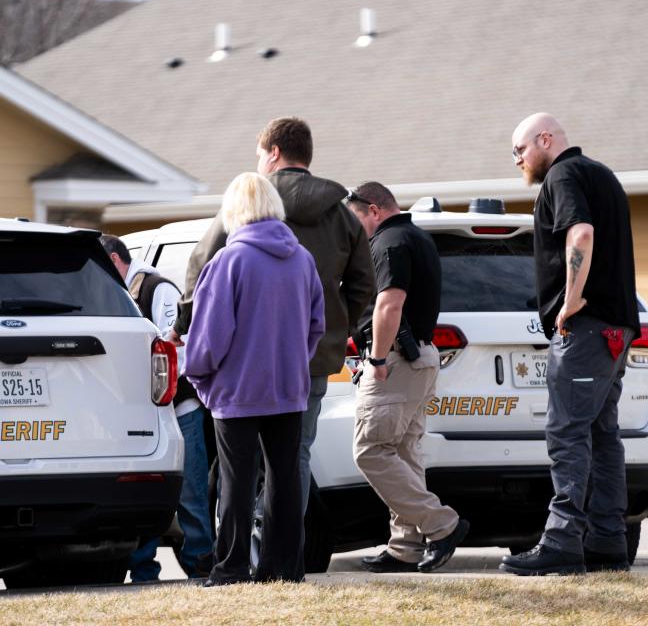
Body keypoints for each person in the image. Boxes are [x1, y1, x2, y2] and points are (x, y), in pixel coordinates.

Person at [167, 117, 374, 520]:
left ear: (274, 153)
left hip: (245, 360)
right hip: (310, 358)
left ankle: (238, 555)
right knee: (294, 457)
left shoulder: (247, 203)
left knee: (239, 463)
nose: (259, 162)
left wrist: (183, 326)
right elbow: (364, 284)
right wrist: (334, 331)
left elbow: (202, 265)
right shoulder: (342, 214)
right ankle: (284, 551)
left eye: (260, 154)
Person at [500, 113, 641, 576]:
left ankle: (561, 542)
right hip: (616, 330)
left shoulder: (562, 175)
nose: (517, 159)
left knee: (566, 433)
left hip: (587, 329)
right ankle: (606, 543)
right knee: (602, 435)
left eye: (520, 150)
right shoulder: (602, 175)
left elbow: (581, 234)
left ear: (545, 139)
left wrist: (571, 299)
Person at [183, 172, 325, 586]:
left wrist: (199, 376)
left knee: (236, 483)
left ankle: (230, 568)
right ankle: (283, 568)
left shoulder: (228, 262)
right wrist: (294, 362)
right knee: (284, 480)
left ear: (234, 210)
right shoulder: (302, 258)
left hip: (237, 391)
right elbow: (317, 325)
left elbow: (209, 336)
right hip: (289, 388)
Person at [345, 182, 469, 574]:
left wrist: (377, 357)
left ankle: (442, 524)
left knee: (370, 450)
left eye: (356, 220)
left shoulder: (390, 242)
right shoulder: (416, 236)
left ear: (374, 210)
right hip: (419, 359)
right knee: (403, 452)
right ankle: (405, 547)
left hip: (396, 360)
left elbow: (390, 302)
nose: (355, 230)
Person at [99, 235, 215, 582]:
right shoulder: (115, 294)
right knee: (143, 493)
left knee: (191, 493)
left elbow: (175, 343)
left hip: (178, 408)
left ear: (117, 260)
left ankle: (200, 563)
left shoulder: (157, 289)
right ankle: (143, 568)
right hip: (139, 412)